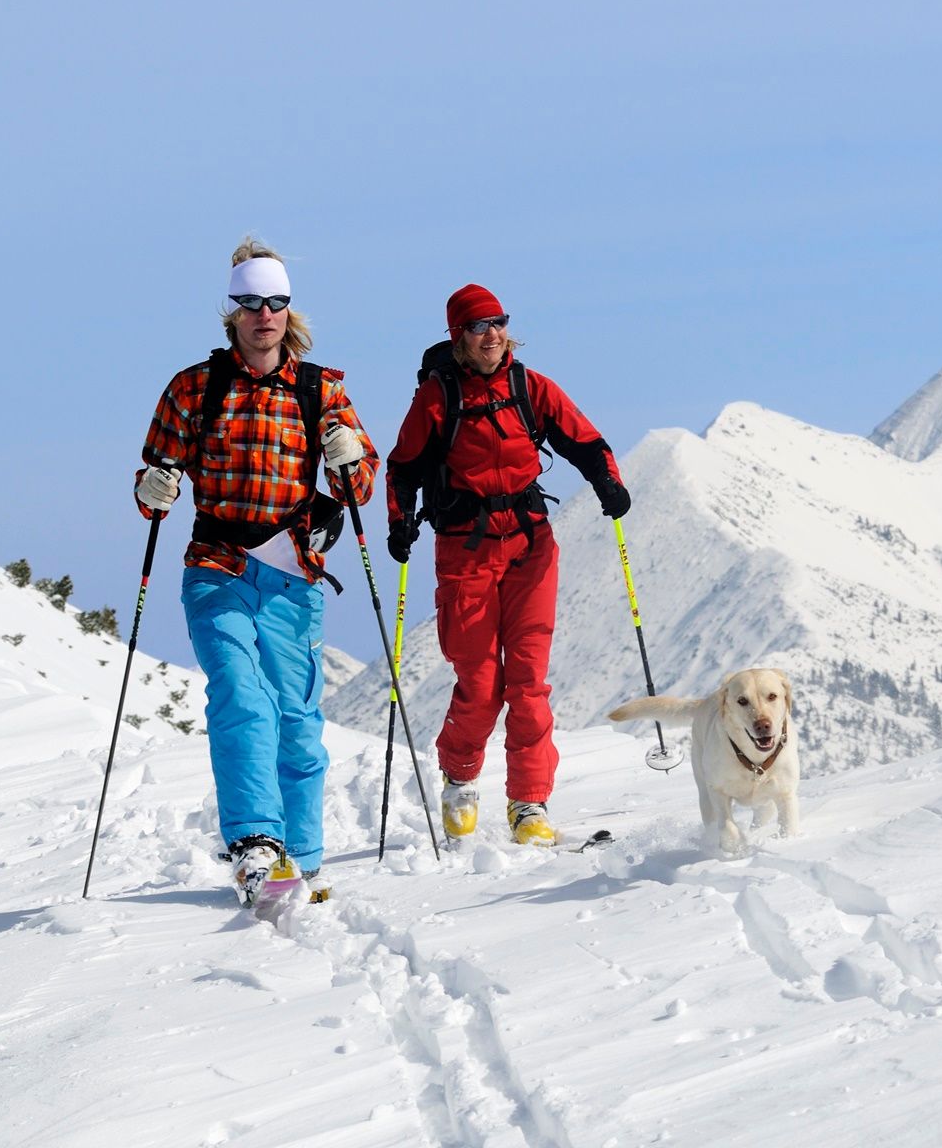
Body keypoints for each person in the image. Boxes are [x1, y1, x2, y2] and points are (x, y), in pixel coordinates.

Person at [134, 239, 378, 906]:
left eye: (274, 302)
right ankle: (255, 845)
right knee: (240, 696)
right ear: (232, 311)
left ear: (288, 311)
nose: (262, 314)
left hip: (293, 576)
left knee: (298, 722)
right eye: (249, 302)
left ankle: (301, 859)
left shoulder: (320, 389)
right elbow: (155, 476)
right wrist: (155, 488)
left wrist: (348, 455)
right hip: (217, 567)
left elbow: (359, 488)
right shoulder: (195, 388)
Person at [385, 284, 629, 846]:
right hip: (465, 550)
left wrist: (607, 481)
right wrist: (400, 521)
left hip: (530, 545)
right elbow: (403, 469)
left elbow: (585, 441)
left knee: (527, 680)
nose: (491, 333)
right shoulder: (437, 400)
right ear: (458, 336)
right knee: (478, 678)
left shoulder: (530, 386)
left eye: (498, 322)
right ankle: (460, 777)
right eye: (478, 326)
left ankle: (529, 803)